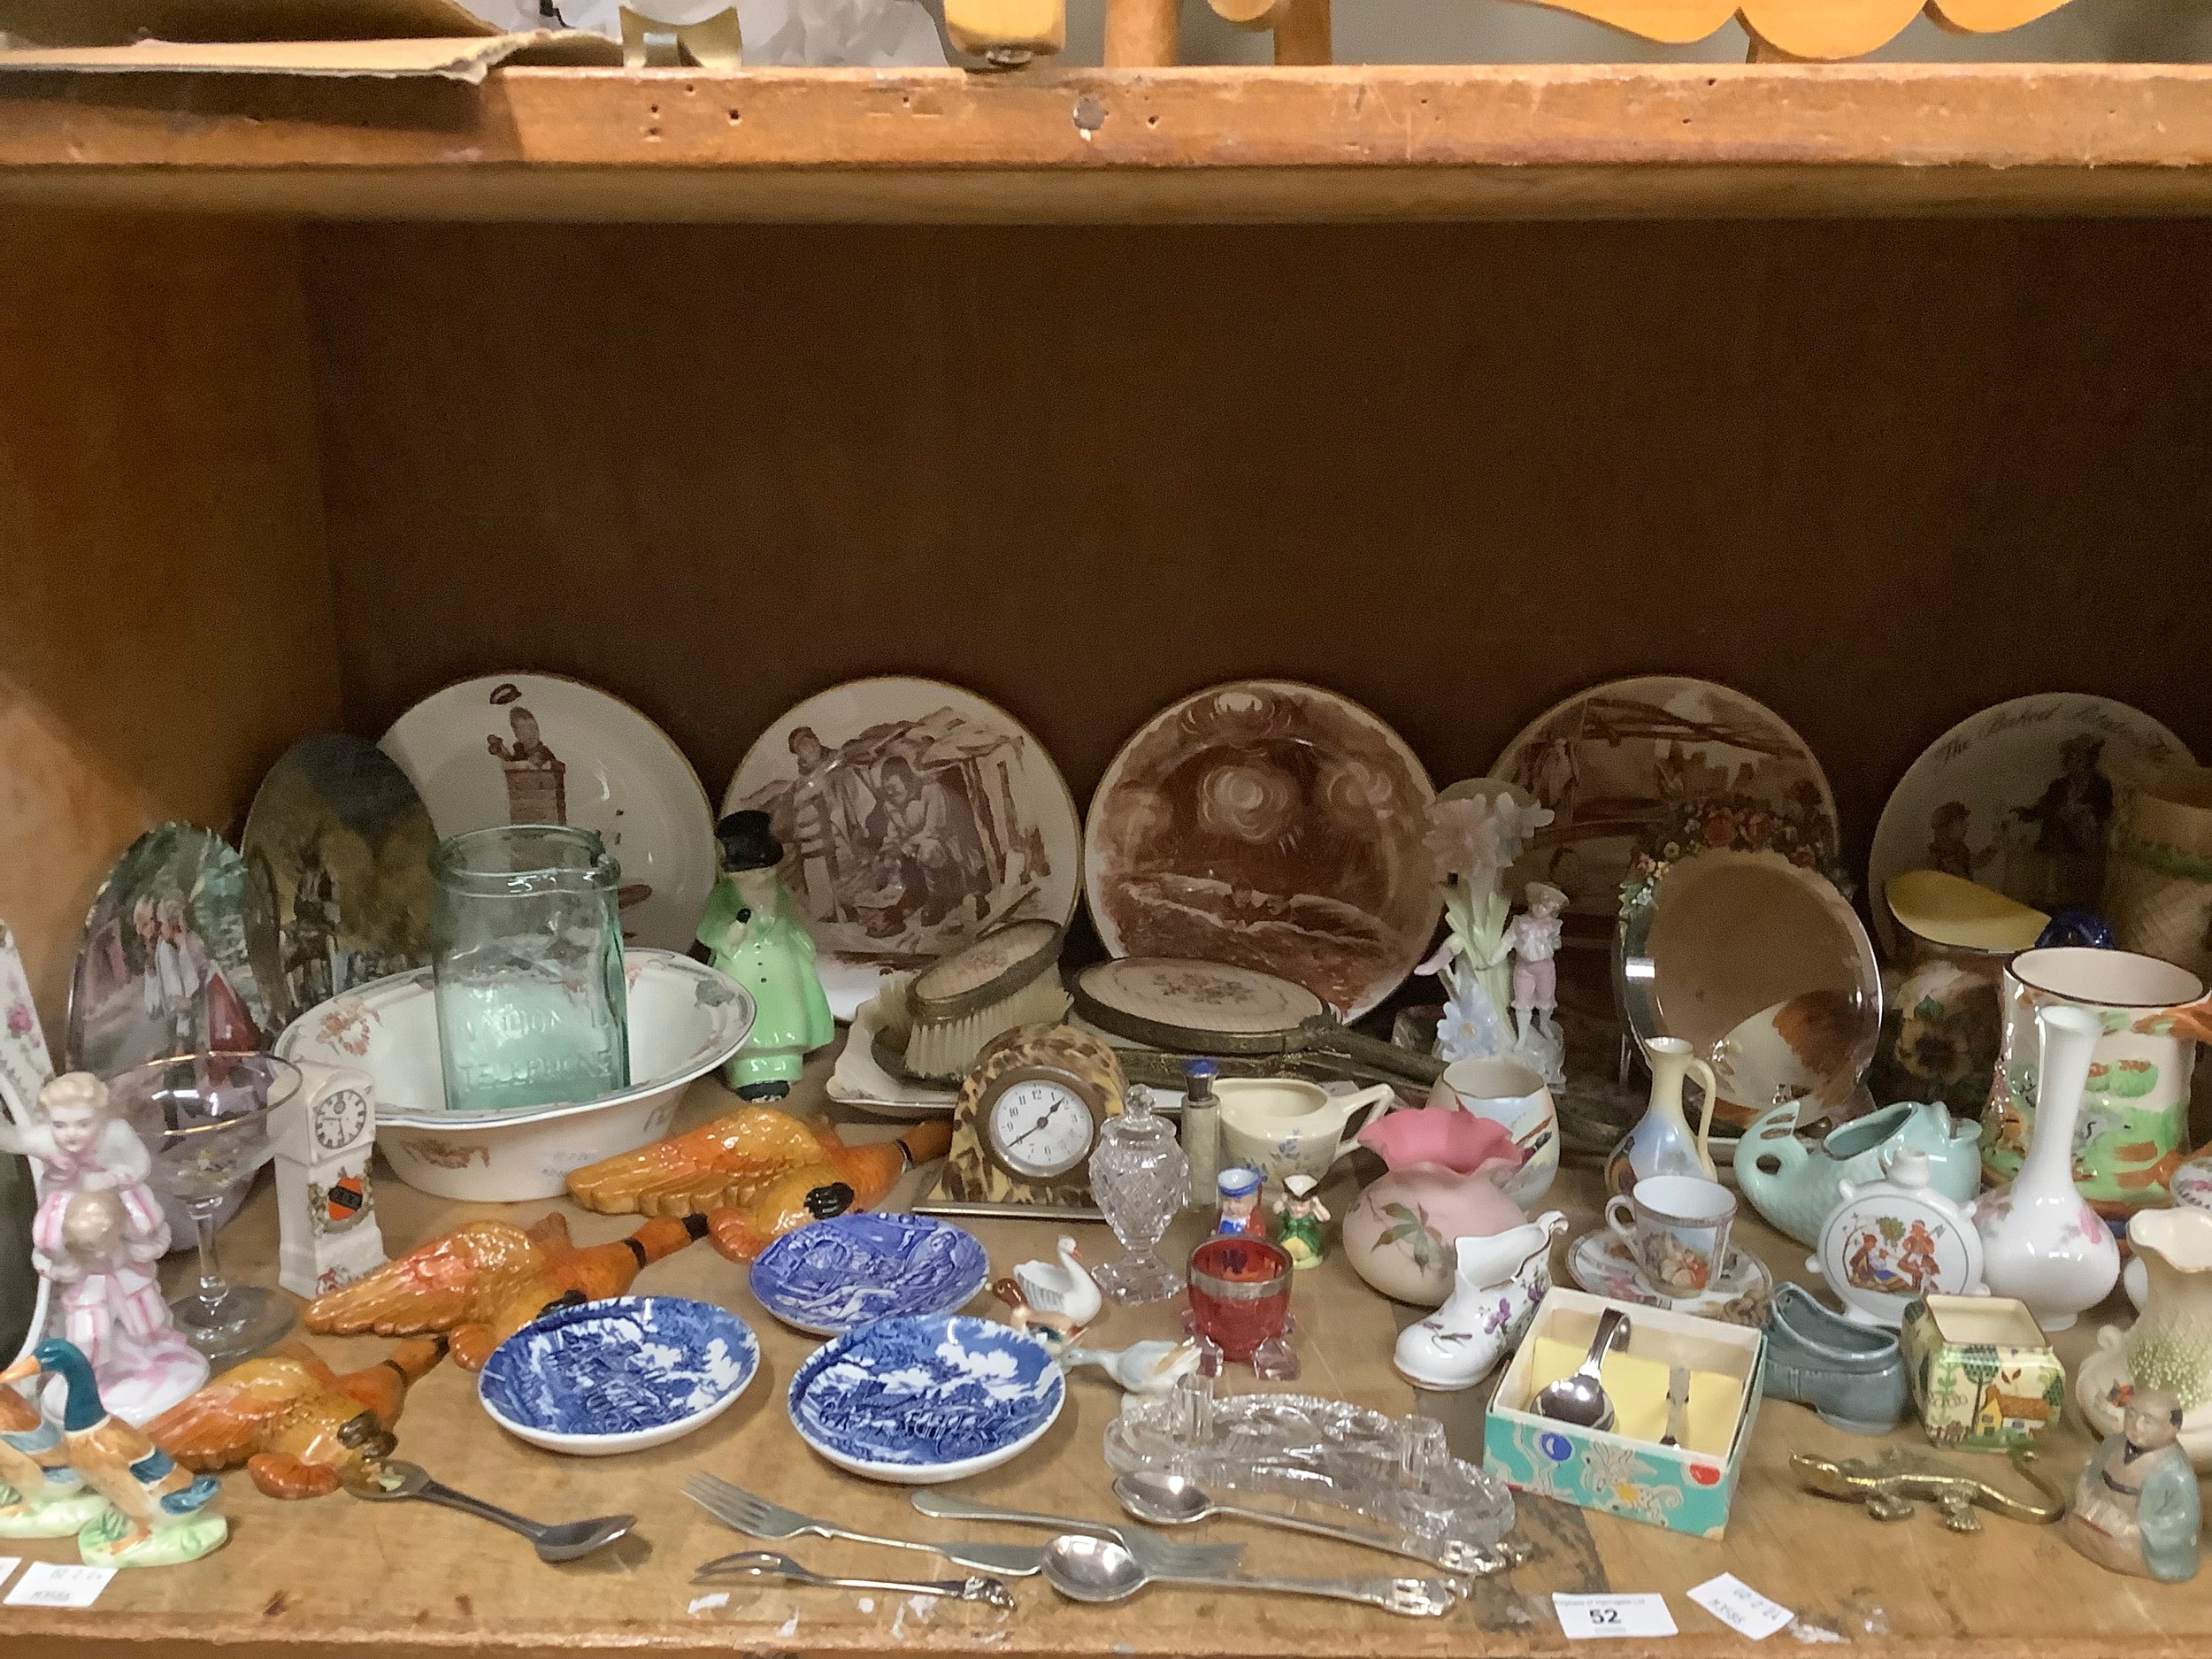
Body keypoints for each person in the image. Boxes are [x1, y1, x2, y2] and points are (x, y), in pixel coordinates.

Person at [696, 811, 835, 1101]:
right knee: (742, 1016)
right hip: (741, 964)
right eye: (757, 869)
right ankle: (746, 1070)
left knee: (787, 1012)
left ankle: (786, 1063)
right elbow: (710, 931)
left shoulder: (780, 891)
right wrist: (735, 929)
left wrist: (802, 945)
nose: (766, 874)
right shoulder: (724, 895)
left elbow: (795, 920)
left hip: (780, 962)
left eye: (768, 867)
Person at [784, 726, 876, 922]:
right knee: (823, 880)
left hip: (844, 830)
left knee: (853, 872)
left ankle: (866, 911)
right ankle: (833, 915)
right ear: (797, 752)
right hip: (815, 842)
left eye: (809, 740)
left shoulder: (839, 761)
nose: (808, 747)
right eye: (801, 746)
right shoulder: (800, 782)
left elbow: (855, 785)